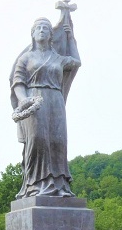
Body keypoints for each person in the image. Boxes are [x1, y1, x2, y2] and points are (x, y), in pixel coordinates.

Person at [10, 17, 81, 198]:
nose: (41, 30)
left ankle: (59, 186)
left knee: (58, 142)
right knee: (37, 141)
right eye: (38, 28)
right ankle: (34, 186)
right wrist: (24, 100)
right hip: (33, 102)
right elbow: (18, 82)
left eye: (45, 28)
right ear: (33, 34)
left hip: (55, 101)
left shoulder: (57, 58)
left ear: (51, 35)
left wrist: (70, 38)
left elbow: (76, 62)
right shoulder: (26, 58)